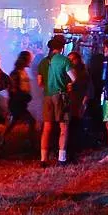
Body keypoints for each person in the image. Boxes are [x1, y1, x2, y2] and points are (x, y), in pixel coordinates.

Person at [37, 35, 73, 165]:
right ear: (62, 47)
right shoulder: (64, 60)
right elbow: (73, 78)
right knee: (63, 127)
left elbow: (40, 82)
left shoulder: (43, 62)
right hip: (60, 95)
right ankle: (62, 158)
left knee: (47, 127)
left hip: (47, 96)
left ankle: (43, 159)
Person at [3, 49, 37, 153]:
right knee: (31, 121)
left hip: (20, 102)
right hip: (17, 103)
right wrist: (21, 97)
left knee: (14, 122)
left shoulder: (22, 72)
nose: (30, 61)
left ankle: (2, 140)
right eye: (29, 59)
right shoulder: (16, 73)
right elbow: (12, 89)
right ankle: (30, 143)